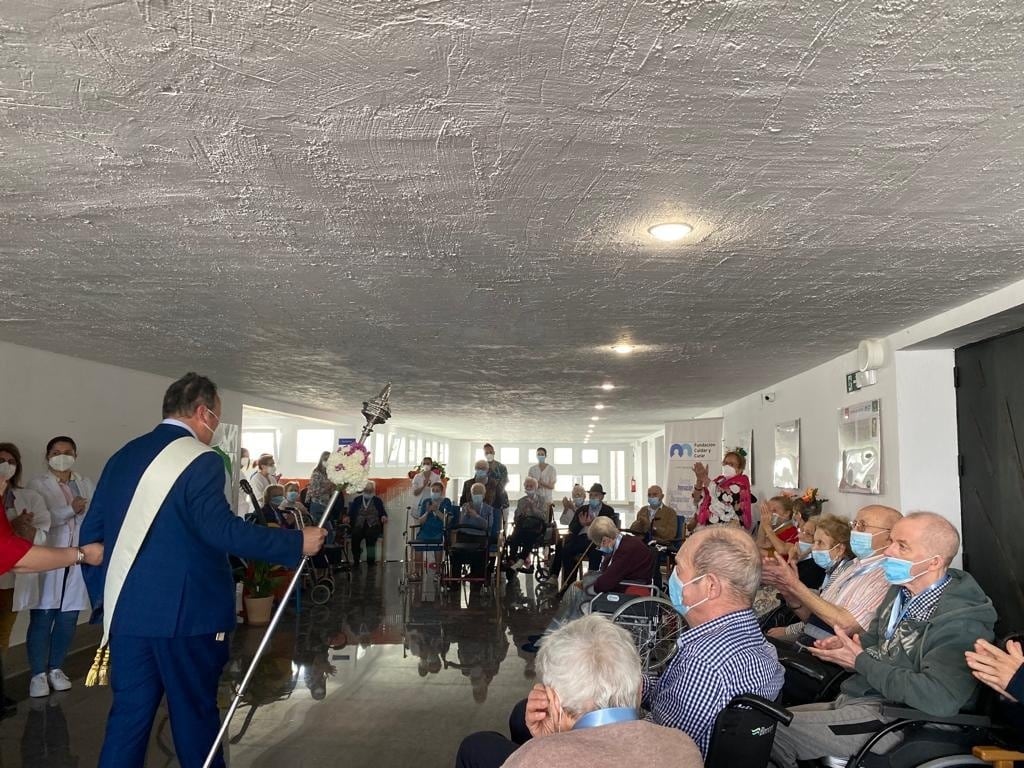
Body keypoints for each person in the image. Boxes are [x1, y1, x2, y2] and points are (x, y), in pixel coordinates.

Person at [79, 372, 325, 768]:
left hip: (127, 617)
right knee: (195, 719)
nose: (214, 427)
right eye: (216, 416)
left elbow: (91, 540)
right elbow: (220, 529)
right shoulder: (201, 459)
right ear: (201, 412)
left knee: (127, 721)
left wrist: (108, 601)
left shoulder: (122, 456)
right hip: (187, 618)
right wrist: (295, 542)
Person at [769, 512, 997, 767]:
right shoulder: (900, 593)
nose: (888, 552)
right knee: (760, 721)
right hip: (865, 698)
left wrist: (860, 661)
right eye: (890, 542)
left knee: (770, 734)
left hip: (904, 717)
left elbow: (938, 698)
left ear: (934, 562)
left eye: (902, 546)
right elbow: (878, 643)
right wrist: (849, 648)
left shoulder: (961, 621)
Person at [455, 616, 702, 768]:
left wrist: (547, 744)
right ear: (638, 688)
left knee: (476, 745)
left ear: (553, 700)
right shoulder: (683, 746)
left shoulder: (533, 760)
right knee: (520, 716)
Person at [645, 525, 784, 757]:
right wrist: (637, 687)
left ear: (710, 586)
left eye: (679, 568)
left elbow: (658, 750)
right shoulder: (761, 645)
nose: (672, 578)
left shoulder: (704, 663)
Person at [23, 436, 95, 698]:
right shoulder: (36, 484)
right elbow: (42, 519)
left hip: (77, 557)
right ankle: (37, 674)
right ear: (47, 456)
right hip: (49, 557)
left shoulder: (84, 482)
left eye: (67, 452)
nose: (62, 456)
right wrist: (69, 510)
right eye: (56, 452)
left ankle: (56, 668)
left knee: (69, 617)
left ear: (75, 455)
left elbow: (94, 514)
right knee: (43, 616)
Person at [763, 507, 899, 644]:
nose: (854, 531)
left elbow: (846, 625)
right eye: (855, 524)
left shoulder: (885, 576)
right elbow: (814, 619)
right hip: (808, 644)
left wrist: (794, 584)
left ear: (889, 538)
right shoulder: (853, 565)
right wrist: (789, 592)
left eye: (862, 526)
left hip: (828, 658)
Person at [523, 517, 654, 653]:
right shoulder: (624, 542)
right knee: (575, 589)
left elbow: (604, 583)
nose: (600, 548)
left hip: (629, 592)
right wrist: (587, 582)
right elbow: (607, 571)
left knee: (576, 593)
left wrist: (587, 585)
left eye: (599, 544)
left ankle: (554, 638)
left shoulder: (626, 549)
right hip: (622, 586)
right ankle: (552, 635)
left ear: (605, 539)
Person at [692, 449, 755, 530]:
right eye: (725, 463)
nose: (727, 466)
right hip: (710, 528)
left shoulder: (742, 483)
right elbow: (697, 499)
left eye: (731, 464)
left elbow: (724, 496)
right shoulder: (720, 480)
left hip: (729, 530)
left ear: (740, 469)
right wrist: (699, 481)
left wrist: (705, 478)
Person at [448, 483, 495, 589]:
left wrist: (476, 516)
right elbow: (462, 524)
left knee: (479, 552)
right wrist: (466, 514)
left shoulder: (488, 509)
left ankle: (476, 580)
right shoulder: (465, 506)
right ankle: (455, 583)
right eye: (474, 493)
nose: (476, 495)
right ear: (471, 494)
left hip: (480, 537)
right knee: (456, 552)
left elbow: (488, 525)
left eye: (479, 493)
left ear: (483, 495)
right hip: (465, 535)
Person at [505, 477, 548, 572]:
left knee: (530, 535)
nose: (528, 488)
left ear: (536, 487)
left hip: (536, 527)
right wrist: (522, 512)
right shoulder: (521, 501)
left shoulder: (542, 500)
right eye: (527, 486)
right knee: (514, 536)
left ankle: (521, 559)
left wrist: (533, 508)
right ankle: (512, 559)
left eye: (531, 486)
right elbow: (516, 518)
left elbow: (544, 517)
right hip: (522, 527)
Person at [410, 480, 451, 576]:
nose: (435, 492)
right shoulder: (426, 502)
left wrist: (436, 510)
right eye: (433, 490)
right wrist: (427, 512)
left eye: (437, 490)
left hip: (439, 530)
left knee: (438, 544)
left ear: (442, 492)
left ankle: (438, 572)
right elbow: (421, 521)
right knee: (419, 545)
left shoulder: (446, 501)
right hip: (426, 530)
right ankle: (417, 572)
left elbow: (447, 520)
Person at [348, 481, 387, 566]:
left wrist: (383, 516)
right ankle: (356, 559)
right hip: (359, 524)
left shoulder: (377, 500)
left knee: (370, 536)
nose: (368, 492)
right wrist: (347, 517)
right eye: (367, 490)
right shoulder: (357, 500)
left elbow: (383, 512)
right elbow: (351, 513)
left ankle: (371, 561)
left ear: (373, 490)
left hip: (373, 525)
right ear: (364, 490)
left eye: (370, 490)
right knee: (355, 535)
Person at [307, 451, 335, 520]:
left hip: (326, 504)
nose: (328, 462)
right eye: (326, 459)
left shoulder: (329, 473)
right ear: (321, 460)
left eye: (329, 460)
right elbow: (312, 492)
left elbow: (331, 492)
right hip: (317, 504)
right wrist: (327, 487)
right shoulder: (316, 473)